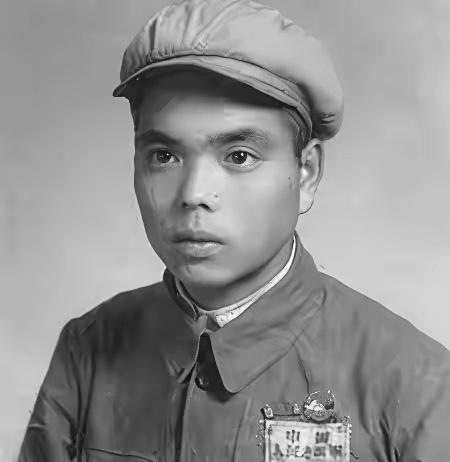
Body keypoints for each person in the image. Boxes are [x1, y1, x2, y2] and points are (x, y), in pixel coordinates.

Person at [19, 0, 450, 461]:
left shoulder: (417, 386)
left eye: (239, 156)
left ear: (306, 173)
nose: (194, 194)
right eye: (164, 156)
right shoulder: (89, 349)